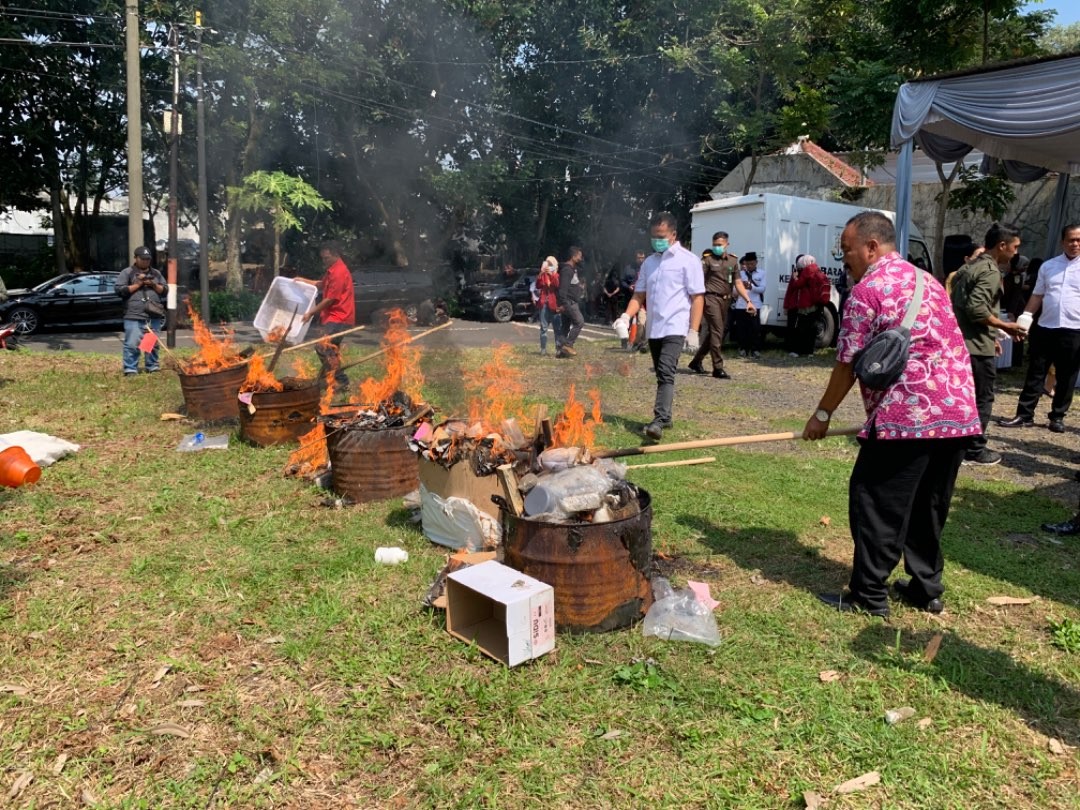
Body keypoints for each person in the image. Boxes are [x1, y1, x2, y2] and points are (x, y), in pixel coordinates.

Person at [803, 211, 980, 618]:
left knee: (875, 500)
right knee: (928, 504)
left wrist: (822, 414)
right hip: (957, 413)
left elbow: (847, 363)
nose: (844, 257)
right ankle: (925, 587)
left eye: (847, 249)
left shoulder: (868, 290)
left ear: (870, 246)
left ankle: (869, 594)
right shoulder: (929, 282)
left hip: (907, 416)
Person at [614, 213, 705, 440]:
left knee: (665, 370)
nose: (657, 240)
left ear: (673, 235)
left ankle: (658, 421)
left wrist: (693, 330)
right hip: (655, 328)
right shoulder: (649, 263)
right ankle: (667, 416)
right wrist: (626, 316)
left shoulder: (688, 260)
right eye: (654, 236)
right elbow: (639, 294)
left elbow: (697, 298)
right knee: (661, 374)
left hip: (676, 326)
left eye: (661, 236)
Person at [950, 223, 1028, 466]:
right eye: (1014, 247)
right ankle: (975, 449)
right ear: (1002, 246)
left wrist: (992, 334)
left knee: (962, 398)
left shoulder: (969, 266)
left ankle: (957, 445)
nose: (1016, 253)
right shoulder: (990, 271)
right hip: (975, 347)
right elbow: (976, 308)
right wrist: (1006, 327)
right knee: (983, 398)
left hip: (962, 343)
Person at [998, 224, 1080, 433]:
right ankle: (1024, 415)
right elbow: (1037, 295)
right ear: (1062, 242)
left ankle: (1057, 416)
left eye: (1079, 240)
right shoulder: (1048, 266)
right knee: (1035, 371)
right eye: (1071, 240)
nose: (1075, 244)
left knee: (1066, 375)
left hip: (1074, 329)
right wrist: (1025, 320)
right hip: (1045, 327)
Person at [297, 241, 356, 389]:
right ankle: (329, 379)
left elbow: (330, 299)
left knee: (323, 347)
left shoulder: (339, 272)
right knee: (330, 349)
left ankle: (341, 381)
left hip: (340, 318)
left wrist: (311, 313)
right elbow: (320, 285)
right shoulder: (332, 270)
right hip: (332, 317)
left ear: (336, 255)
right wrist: (303, 280)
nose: (324, 261)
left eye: (327, 258)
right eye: (323, 258)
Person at [688, 231, 739, 379]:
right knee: (718, 330)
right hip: (710, 299)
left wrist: (747, 300)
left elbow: (737, 282)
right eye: (714, 244)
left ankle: (696, 361)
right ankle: (718, 367)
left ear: (727, 244)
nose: (717, 247)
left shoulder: (733, 261)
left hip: (726, 300)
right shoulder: (707, 260)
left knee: (715, 333)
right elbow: (697, 280)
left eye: (720, 245)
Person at [115, 246, 167, 377]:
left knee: (151, 343)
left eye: (148, 259)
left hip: (152, 315)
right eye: (143, 259)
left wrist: (153, 284)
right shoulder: (127, 273)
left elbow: (165, 290)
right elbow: (120, 291)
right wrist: (138, 284)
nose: (145, 262)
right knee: (132, 343)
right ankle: (130, 369)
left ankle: (152, 366)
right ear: (136, 258)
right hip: (133, 314)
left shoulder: (156, 274)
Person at [783, 254, 831, 357]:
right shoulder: (817, 270)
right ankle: (809, 351)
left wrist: (795, 278)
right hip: (815, 304)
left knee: (801, 328)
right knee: (811, 329)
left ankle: (797, 350)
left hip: (803, 305)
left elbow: (796, 286)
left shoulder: (806, 272)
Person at [734, 252, 765, 358]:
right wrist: (741, 287)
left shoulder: (762, 273)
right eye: (748, 264)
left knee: (755, 329)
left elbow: (762, 289)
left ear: (756, 262)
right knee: (742, 329)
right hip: (741, 305)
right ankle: (743, 349)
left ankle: (755, 350)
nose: (750, 266)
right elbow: (734, 289)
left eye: (752, 263)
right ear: (745, 263)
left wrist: (752, 287)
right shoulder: (740, 274)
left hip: (756, 305)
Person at [556, 246, 586, 358]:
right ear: (573, 256)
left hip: (571, 301)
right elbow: (562, 290)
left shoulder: (573, 269)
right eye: (579, 256)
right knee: (579, 322)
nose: (581, 258)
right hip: (569, 302)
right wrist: (564, 304)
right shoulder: (567, 270)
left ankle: (561, 351)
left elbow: (571, 285)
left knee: (565, 326)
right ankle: (568, 345)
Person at [535, 256, 561, 356]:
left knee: (557, 328)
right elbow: (538, 285)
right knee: (543, 327)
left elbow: (557, 285)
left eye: (550, 264)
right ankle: (543, 349)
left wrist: (552, 274)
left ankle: (558, 348)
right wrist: (541, 273)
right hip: (543, 303)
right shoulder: (543, 275)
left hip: (554, 303)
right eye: (547, 264)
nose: (548, 266)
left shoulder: (556, 275)